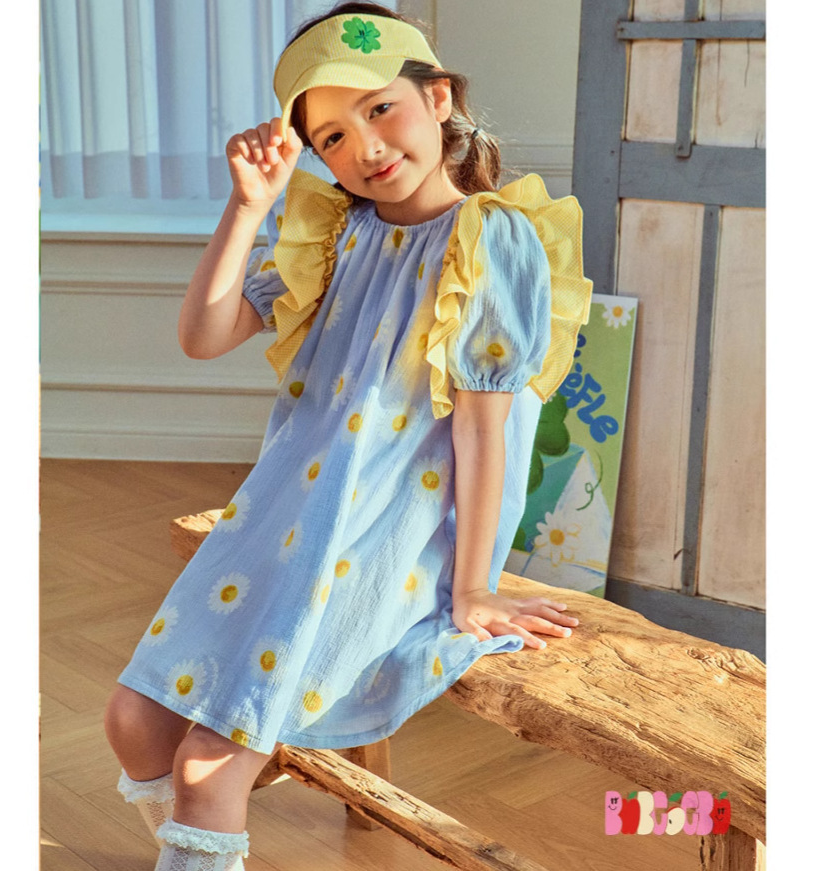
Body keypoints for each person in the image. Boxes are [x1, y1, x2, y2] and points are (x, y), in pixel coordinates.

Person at [104, 3, 592, 869]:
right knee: (132, 721)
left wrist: (473, 589)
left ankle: (204, 835)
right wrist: (247, 207)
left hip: (383, 534)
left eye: (379, 108)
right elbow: (203, 335)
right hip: (282, 513)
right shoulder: (333, 233)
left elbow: (485, 431)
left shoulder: (492, 239)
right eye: (331, 137)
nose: (364, 147)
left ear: (437, 98)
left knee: (207, 766)